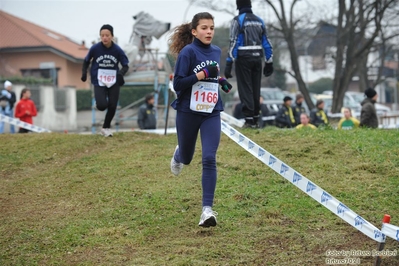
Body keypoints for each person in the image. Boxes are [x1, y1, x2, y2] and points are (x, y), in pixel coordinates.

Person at [168, 12, 232, 228]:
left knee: (209, 158)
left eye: (212, 28)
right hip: (188, 111)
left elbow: (213, 72)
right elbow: (178, 84)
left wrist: (221, 80)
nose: (209, 32)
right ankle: (179, 154)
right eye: (204, 28)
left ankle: (207, 210)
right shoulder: (188, 53)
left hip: (211, 111)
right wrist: (202, 75)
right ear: (194, 31)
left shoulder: (215, 51)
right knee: (187, 158)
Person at [224, 0, 273, 128]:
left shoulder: (237, 20)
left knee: (245, 88)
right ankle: (256, 119)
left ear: (238, 6)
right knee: (256, 88)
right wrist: (269, 62)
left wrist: (229, 63)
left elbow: (233, 42)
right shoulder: (259, 21)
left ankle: (249, 120)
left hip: (243, 58)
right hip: (258, 57)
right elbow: (267, 42)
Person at [81, 24, 129, 137]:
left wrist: (120, 74)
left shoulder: (117, 50)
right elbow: (86, 61)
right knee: (102, 105)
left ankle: (106, 127)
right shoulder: (95, 48)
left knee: (112, 105)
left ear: (112, 36)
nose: (104, 38)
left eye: (107, 35)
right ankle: (100, 104)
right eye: (102, 35)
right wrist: (84, 74)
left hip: (113, 80)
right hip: (99, 80)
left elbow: (125, 65)